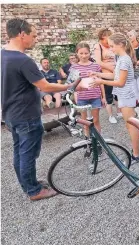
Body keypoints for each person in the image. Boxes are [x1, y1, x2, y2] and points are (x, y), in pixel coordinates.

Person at [1, 18, 76, 200]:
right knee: (27, 154)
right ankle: (34, 191)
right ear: (22, 34)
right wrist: (71, 85)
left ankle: (29, 184)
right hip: (26, 115)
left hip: (11, 113)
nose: (36, 39)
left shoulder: (3, 54)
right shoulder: (23, 60)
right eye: (33, 36)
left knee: (20, 152)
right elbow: (45, 86)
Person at [90, 33, 139, 162]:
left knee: (131, 125)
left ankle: (136, 153)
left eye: (112, 46)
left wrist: (101, 82)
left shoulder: (124, 60)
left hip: (127, 94)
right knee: (130, 124)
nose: (111, 49)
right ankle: (136, 150)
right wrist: (98, 74)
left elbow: (120, 82)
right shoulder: (121, 58)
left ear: (121, 45)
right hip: (124, 94)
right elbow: (115, 76)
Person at [71, 42, 106, 139]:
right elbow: (72, 84)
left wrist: (103, 96)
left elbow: (101, 82)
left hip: (95, 96)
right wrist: (75, 97)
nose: (84, 56)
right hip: (82, 97)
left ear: (89, 53)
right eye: (81, 53)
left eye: (86, 53)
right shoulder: (74, 67)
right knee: (85, 121)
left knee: (96, 120)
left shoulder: (95, 66)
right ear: (77, 53)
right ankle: (88, 141)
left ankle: (99, 140)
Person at [93, 28, 119, 124]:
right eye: (109, 37)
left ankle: (119, 112)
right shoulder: (98, 46)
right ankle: (110, 116)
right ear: (103, 36)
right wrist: (111, 68)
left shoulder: (110, 46)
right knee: (109, 96)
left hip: (115, 73)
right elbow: (99, 62)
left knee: (117, 94)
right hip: (106, 73)